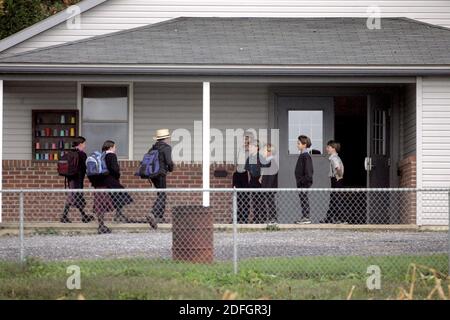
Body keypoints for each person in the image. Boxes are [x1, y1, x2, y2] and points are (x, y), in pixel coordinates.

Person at [60, 136, 95, 224]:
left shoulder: (70, 153)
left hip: (70, 178)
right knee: (74, 197)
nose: (85, 146)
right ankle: (64, 216)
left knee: (75, 197)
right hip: (78, 179)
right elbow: (85, 167)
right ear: (80, 144)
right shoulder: (82, 154)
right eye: (84, 144)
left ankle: (84, 216)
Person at [148, 129, 174, 224]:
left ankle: (159, 217)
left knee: (160, 194)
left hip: (152, 175)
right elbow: (169, 161)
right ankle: (153, 213)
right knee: (162, 194)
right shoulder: (166, 148)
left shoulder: (153, 148)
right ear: (166, 138)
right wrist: (171, 168)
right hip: (161, 174)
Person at [321, 140, 345, 224]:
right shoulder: (335, 157)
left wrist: (339, 176)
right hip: (336, 179)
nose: (326, 149)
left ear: (333, 149)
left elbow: (337, 168)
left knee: (336, 199)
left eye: (328, 147)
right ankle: (329, 217)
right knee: (333, 199)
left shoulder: (334, 158)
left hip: (336, 179)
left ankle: (341, 218)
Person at [294, 135, 314, 224]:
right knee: (303, 199)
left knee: (304, 199)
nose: (297, 145)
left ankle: (306, 217)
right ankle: (304, 217)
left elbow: (309, 172)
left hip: (304, 183)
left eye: (298, 143)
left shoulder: (306, 156)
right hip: (301, 183)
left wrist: (302, 181)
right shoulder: (302, 155)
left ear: (304, 144)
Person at [232, 135, 251, 223]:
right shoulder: (239, 149)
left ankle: (245, 218)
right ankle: (238, 218)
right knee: (238, 197)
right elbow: (236, 163)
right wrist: (234, 173)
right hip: (238, 174)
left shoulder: (250, 151)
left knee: (245, 197)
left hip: (245, 174)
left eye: (246, 139)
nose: (244, 141)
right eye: (243, 139)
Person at [245, 140, 264, 223]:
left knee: (261, 200)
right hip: (252, 180)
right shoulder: (249, 158)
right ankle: (256, 217)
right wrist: (249, 179)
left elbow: (264, 168)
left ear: (256, 147)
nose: (249, 148)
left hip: (259, 180)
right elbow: (248, 170)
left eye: (251, 146)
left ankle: (262, 218)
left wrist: (261, 178)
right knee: (254, 200)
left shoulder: (261, 157)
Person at [260, 143, 278, 224]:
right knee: (268, 203)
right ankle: (270, 218)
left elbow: (271, 177)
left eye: (264, 151)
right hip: (266, 187)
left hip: (269, 188)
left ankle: (273, 219)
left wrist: (267, 188)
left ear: (269, 152)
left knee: (271, 202)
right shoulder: (267, 162)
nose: (262, 152)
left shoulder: (272, 162)